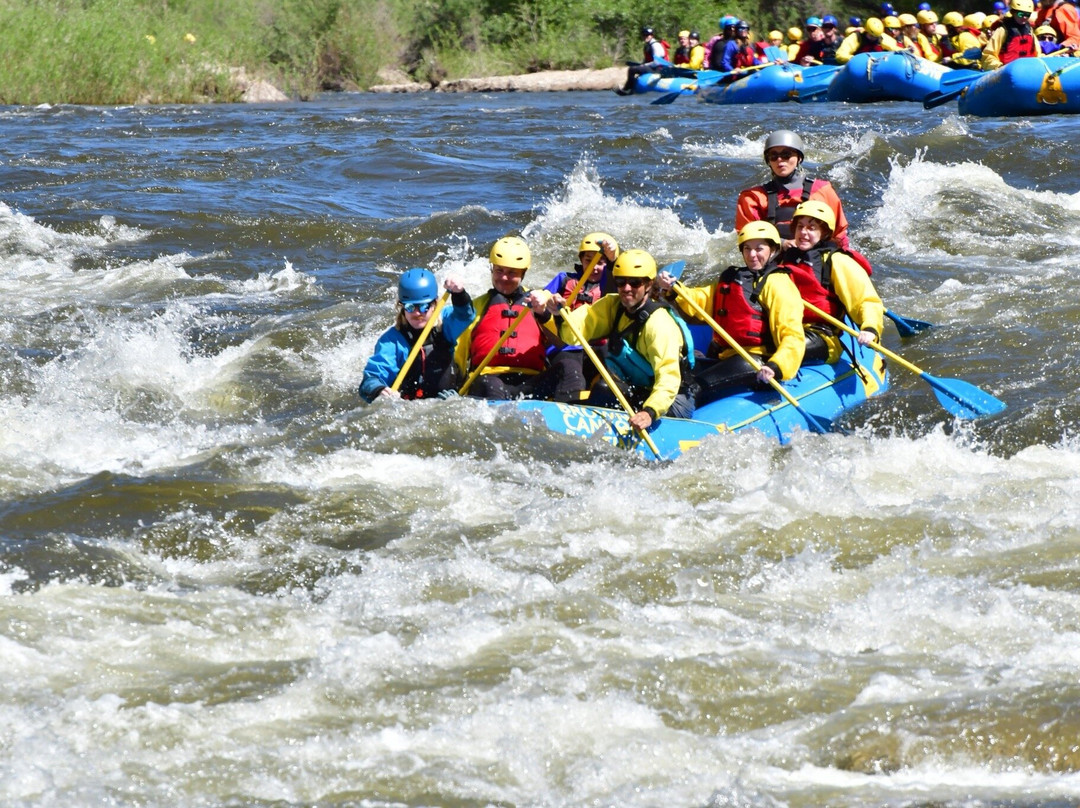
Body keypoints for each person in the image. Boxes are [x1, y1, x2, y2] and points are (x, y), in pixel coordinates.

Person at [545, 249, 696, 430]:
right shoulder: (612, 306)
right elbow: (573, 333)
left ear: (649, 284)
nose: (626, 289)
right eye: (620, 282)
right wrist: (560, 315)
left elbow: (668, 378)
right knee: (603, 388)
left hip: (672, 400)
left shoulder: (659, 324)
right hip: (639, 388)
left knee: (607, 390)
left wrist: (649, 412)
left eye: (635, 283)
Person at [657, 222, 806, 404]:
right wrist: (674, 289)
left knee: (693, 388)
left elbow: (792, 335)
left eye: (759, 249)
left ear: (773, 250)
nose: (752, 255)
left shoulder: (779, 284)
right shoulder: (733, 278)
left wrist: (776, 366)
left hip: (755, 362)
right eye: (747, 249)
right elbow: (701, 300)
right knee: (677, 372)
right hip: (725, 357)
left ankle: (678, 411)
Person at [450, 236, 570, 401]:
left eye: (512, 273)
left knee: (566, 367)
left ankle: (571, 408)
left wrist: (546, 313)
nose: (504, 278)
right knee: (492, 386)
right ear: (492, 269)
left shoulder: (541, 301)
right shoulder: (476, 307)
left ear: (523, 273)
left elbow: (563, 339)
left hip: (531, 381)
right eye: (499, 271)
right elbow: (459, 353)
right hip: (488, 379)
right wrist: (453, 388)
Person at [780, 201, 884, 364]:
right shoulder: (786, 258)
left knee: (787, 346)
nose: (803, 232)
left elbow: (866, 300)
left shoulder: (837, 260)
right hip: (785, 328)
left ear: (824, 233)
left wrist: (870, 328)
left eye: (811, 228)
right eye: (800, 227)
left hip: (822, 336)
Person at [359, 268, 472, 402]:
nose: (417, 313)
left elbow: (465, 316)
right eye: (410, 307)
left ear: (435, 304)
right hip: (410, 405)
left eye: (424, 307)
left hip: (448, 400)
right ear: (401, 306)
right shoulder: (392, 341)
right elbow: (372, 378)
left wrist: (459, 294)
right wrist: (378, 390)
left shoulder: (445, 324)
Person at [735, 129, 851, 251]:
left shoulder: (822, 190)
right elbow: (748, 238)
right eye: (773, 156)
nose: (779, 160)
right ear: (768, 161)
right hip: (777, 255)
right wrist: (782, 243)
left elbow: (839, 234)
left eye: (786, 155)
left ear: (799, 158)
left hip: (815, 255)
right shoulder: (753, 197)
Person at [542, 232, 620, 394]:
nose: (594, 267)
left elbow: (616, 286)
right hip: (565, 347)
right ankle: (569, 396)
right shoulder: (564, 279)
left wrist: (613, 259)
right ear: (581, 260)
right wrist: (546, 299)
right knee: (573, 373)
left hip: (598, 347)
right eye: (588, 261)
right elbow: (543, 296)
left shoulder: (612, 285)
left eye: (600, 262)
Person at [981, 0, 1039, 68]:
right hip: (1006, 70)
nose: (1024, 17)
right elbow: (988, 55)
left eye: (1027, 15)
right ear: (1012, 12)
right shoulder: (1002, 30)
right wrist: (999, 67)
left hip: (1027, 70)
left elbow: (1037, 53)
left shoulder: (1030, 30)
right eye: (1020, 14)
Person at [618, 26, 670, 95]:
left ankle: (627, 89)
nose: (645, 37)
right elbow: (646, 60)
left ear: (651, 36)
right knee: (635, 69)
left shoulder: (655, 45)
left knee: (632, 69)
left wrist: (644, 65)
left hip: (658, 69)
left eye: (647, 35)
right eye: (644, 35)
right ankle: (632, 88)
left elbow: (657, 62)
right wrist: (642, 64)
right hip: (652, 67)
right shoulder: (647, 45)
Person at [835, 16, 901, 61]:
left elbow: (895, 48)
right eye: (871, 36)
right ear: (866, 31)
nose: (873, 38)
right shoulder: (856, 37)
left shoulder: (881, 37)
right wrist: (858, 59)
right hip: (857, 67)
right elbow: (840, 55)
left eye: (876, 37)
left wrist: (905, 51)